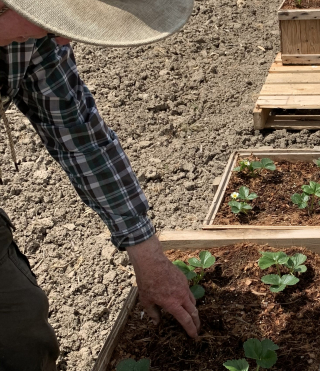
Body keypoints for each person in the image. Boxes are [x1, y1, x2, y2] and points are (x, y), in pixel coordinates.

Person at [0, 0, 200, 369]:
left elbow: (79, 135)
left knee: (18, 334)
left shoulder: (38, 40)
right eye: (56, 23)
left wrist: (147, 254)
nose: (62, 41)